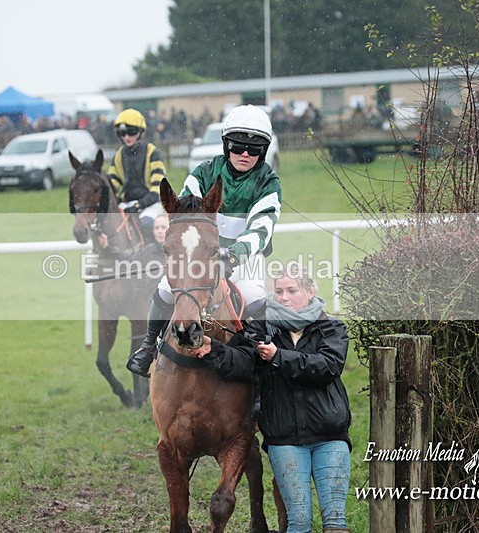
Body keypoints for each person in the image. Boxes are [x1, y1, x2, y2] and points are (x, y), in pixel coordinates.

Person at [191, 264, 352, 532]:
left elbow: (327, 367)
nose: (284, 297)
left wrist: (279, 357)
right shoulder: (263, 329)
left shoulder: (332, 327)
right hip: (285, 440)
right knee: (298, 521)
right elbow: (242, 360)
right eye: (278, 291)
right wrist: (214, 349)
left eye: (292, 290)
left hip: (330, 437)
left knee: (335, 523)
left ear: (310, 292)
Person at [127, 104, 281, 378]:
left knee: (254, 297)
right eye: (238, 146)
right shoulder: (203, 172)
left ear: (264, 151)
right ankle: (148, 347)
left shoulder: (267, 181)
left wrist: (232, 256)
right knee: (164, 289)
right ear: (226, 145)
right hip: (198, 254)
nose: (245, 153)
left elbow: (261, 228)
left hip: (244, 258)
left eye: (254, 148)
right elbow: (184, 216)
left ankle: (262, 373)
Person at [107, 108, 167, 245]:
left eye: (131, 132)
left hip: (150, 205)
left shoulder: (153, 153)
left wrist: (139, 205)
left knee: (146, 224)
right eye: (122, 133)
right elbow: (112, 185)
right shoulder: (118, 155)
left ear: (140, 132)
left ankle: (155, 256)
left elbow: (158, 190)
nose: (126, 137)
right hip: (127, 203)